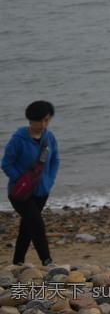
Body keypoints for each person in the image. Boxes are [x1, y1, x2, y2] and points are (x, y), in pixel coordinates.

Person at [3, 101, 59, 266]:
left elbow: (55, 160)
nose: (42, 124)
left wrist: (49, 181)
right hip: (20, 193)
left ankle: (18, 261)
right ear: (30, 120)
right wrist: (20, 180)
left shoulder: (49, 138)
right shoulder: (18, 140)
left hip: (42, 191)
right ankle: (47, 261)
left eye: (46, 120)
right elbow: (6, 164)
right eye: (39, 121)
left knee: (27, 226)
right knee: (37, 224)